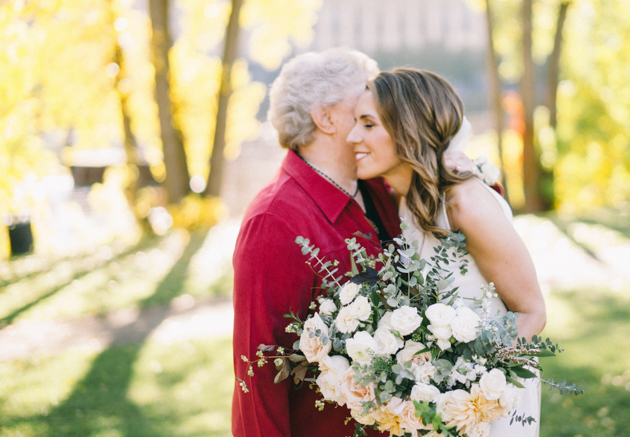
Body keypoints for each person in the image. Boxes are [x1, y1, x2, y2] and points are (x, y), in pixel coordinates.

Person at [346, 68, 546, 436]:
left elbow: (532, 311)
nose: (352, 136)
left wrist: (465, 393)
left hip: (487, 406)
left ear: (409, 128)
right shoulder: (404, 200)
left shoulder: (464, 203)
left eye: (368, 124)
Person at [231, 49, 401, 437]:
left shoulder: (379, 186)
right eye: (362, 107)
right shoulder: (274, 220)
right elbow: (258, 370)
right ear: (325, 118)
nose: (378, 115)